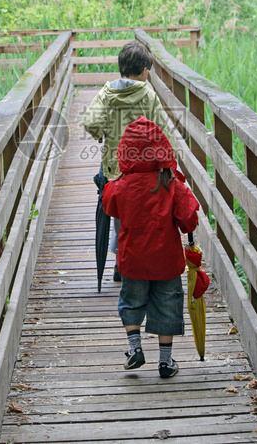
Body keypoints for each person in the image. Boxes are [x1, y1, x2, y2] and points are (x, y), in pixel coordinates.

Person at [103, 116, 199, 378]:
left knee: (131, 302)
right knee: (168, 305)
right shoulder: (171, 185)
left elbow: (108, 206)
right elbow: (189, 218)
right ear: (162, 150)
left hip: (132, 260)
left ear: (125, 153)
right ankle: (165, 362)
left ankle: (135, 348)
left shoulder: (119, 187)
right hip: (166, 261)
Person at [82, 40, 175, 280]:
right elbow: (164, 132)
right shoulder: (148, 94)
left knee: (119, 216)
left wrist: (103, 132)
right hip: (144, 171)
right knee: (143, 215)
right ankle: (139, 261)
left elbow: (91, 123)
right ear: (145, 71)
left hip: (115, 169)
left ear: (121, 68)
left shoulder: (106, 93)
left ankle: (119, 263)